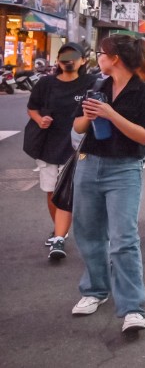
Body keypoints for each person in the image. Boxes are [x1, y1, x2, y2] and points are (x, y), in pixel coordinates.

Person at [71, 35, 145, 333]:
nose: (98, 57)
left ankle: (132, 307)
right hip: (89, 163)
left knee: (123, 238)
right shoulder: (97, 86)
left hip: (124, 169)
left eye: (101, 53)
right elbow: (77, 126)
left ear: (115, 58)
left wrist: (111, 114)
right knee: (88, 232)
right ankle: (95, 291)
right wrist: (88, 116)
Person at [25, 42, 96, 260]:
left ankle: (60, 235)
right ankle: (59, 231)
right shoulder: (46, 84)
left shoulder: (91, 83)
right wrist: (40, 119)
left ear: (83, 61)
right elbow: (32, 107)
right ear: (58, 61)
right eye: (64, 56)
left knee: (74, 192)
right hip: (47, 144)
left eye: (74, 56)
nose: (69, 60)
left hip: (78, 146)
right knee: (52, 190)